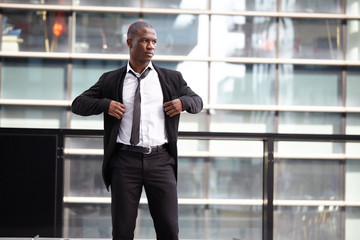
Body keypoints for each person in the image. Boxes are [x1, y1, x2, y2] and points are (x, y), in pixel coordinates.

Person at [71, 21, 203, 240]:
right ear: (129, 43)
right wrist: (106, 105)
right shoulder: (111, 79)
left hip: (161, 161)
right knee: (122, 232)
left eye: (154, 41)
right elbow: (78, 104)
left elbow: (198, 102)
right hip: (124, 162)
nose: (151, 46)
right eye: (144, 41)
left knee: (169, 230)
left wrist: (183, 103)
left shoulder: (171, 78)